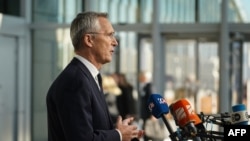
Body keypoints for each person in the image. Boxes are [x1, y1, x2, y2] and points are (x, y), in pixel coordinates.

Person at [46, 11, 143, 141]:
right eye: (109, 35)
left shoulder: (90, 76)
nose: (115, 42)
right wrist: (118, 135)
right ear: (89, 40)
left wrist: (118, 130)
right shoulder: (75, 81)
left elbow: (88, 128)